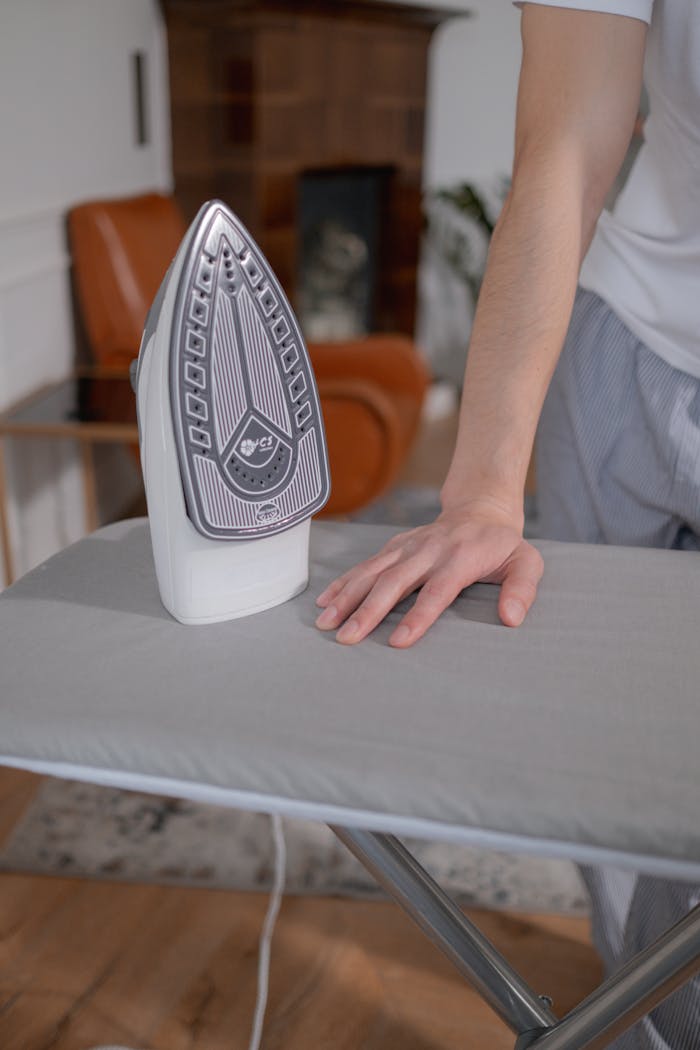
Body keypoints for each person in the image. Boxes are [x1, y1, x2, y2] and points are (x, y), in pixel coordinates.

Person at [315, 2, 700, 1047]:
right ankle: (630, 994)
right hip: (625, 353)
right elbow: (564, 145)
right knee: (608, 744)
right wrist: (485, 488)